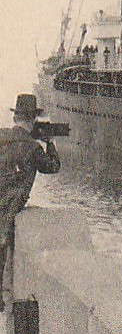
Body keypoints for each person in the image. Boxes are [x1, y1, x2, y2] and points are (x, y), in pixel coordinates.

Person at [1, 95, 61, 310]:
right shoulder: (31, 148)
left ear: (15, 117)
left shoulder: (2, 137)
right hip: (8, 209)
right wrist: (51, 143)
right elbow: (53, 167)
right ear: (32, 121)